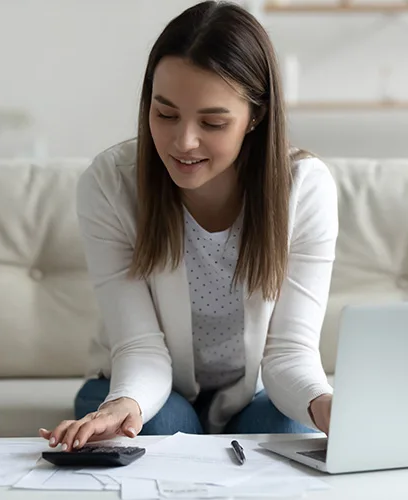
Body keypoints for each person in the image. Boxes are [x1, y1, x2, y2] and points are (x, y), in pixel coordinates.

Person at [40, 0, 337, 452]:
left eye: (213, 122)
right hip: (136, 386)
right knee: (161, 431)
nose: (183, 142)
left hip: (254, 392)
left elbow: (290, 352)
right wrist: (124, 404)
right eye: (165, 114)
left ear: (255, 117)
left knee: (296, 433)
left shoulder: (304, 189)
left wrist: (324, 405)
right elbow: (139, 345)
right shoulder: (111, 184)